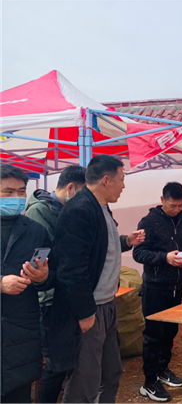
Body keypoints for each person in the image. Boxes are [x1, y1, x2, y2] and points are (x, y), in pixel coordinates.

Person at [46, 155, 145, 403]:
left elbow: (101, 247)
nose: (124, 186)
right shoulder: (79, 210)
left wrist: (126, 241)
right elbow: (70, 269)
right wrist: (85, 313)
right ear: (106, 180)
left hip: (107, 304)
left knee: (111, 372)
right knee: (85, 383)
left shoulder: (100, 206)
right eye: (122, 180)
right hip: (90, 309)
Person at [24, 165, 86, 403]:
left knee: (67, 359)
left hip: (65, 294)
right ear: (70, 188)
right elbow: (39, 259)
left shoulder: (62, 210)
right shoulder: (40, 211)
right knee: (56, 363)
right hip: (48, 298)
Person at [133, 182, 182, 402]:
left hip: (176, 286)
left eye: (180, 205)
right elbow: (139, 253)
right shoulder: (148, 222)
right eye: (173, 205)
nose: (177, 209)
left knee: (170, 332)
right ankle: (149, 382)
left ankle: (163, 370)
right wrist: (165, 258)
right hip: (154, 287)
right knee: (153, 336)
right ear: (162, 200)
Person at [0, 164, 51, 402]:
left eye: (21, 192)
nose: (17, 198)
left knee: (18, 393)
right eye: (8, 192)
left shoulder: (36, 231)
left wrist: (42, 278)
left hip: (21, 328)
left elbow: (46, 276)